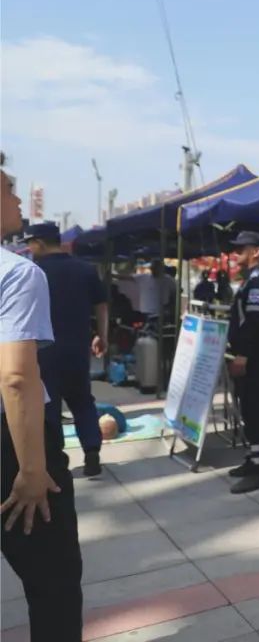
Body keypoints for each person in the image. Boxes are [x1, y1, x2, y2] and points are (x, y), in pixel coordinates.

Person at [0, 169, 84, 641]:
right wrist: (32, 469)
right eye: (8, 190)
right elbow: (16, 377)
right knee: (53, 585)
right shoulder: (16, 273)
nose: (17, 201)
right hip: (11, 442)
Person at [23, 222, 109, 477]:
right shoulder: (85, 269)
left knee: (49, 407)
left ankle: (56, 459)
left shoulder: (31, 272)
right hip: (77, 350)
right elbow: (102, 305)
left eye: (30, 243)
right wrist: (102, 336)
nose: (29, 249)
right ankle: (91, 452)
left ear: (39, 243)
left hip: (43, 352)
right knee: (82, 401)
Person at [225, 231, 259, 494]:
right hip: (249, 355)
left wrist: (243, 355)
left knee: (255, 410)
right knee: (248, 409)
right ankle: (253, 457)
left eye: (240, 249)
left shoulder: (258, 281)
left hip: (255, 357)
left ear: (256, 251)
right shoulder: (251, 279)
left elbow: (255, 322)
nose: (235, 254)